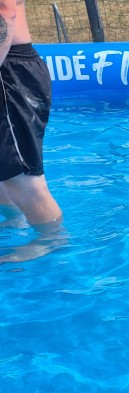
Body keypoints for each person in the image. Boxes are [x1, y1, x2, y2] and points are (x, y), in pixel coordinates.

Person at [0, 0, 64, 263]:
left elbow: (5, 9)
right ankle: (15, 220)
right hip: (10, 64)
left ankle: (51, 239)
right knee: (4, 169)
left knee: (23, 178)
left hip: (8, 70)